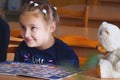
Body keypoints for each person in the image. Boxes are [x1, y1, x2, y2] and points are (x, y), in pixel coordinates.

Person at [14, 0, 79, 70]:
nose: (26, 34)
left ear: (51, 27)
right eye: (23, 27)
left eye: (33, 28)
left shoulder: (66, 55)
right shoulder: (23, 47)